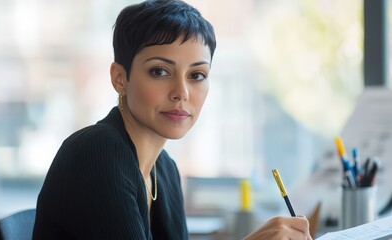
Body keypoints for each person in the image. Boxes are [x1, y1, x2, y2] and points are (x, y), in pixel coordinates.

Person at [32, 0, 313, 239]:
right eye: (160, 72)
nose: (182, 92)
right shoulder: (98, 150)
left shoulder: (164, 170)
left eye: (197, 75)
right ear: (120, 79)